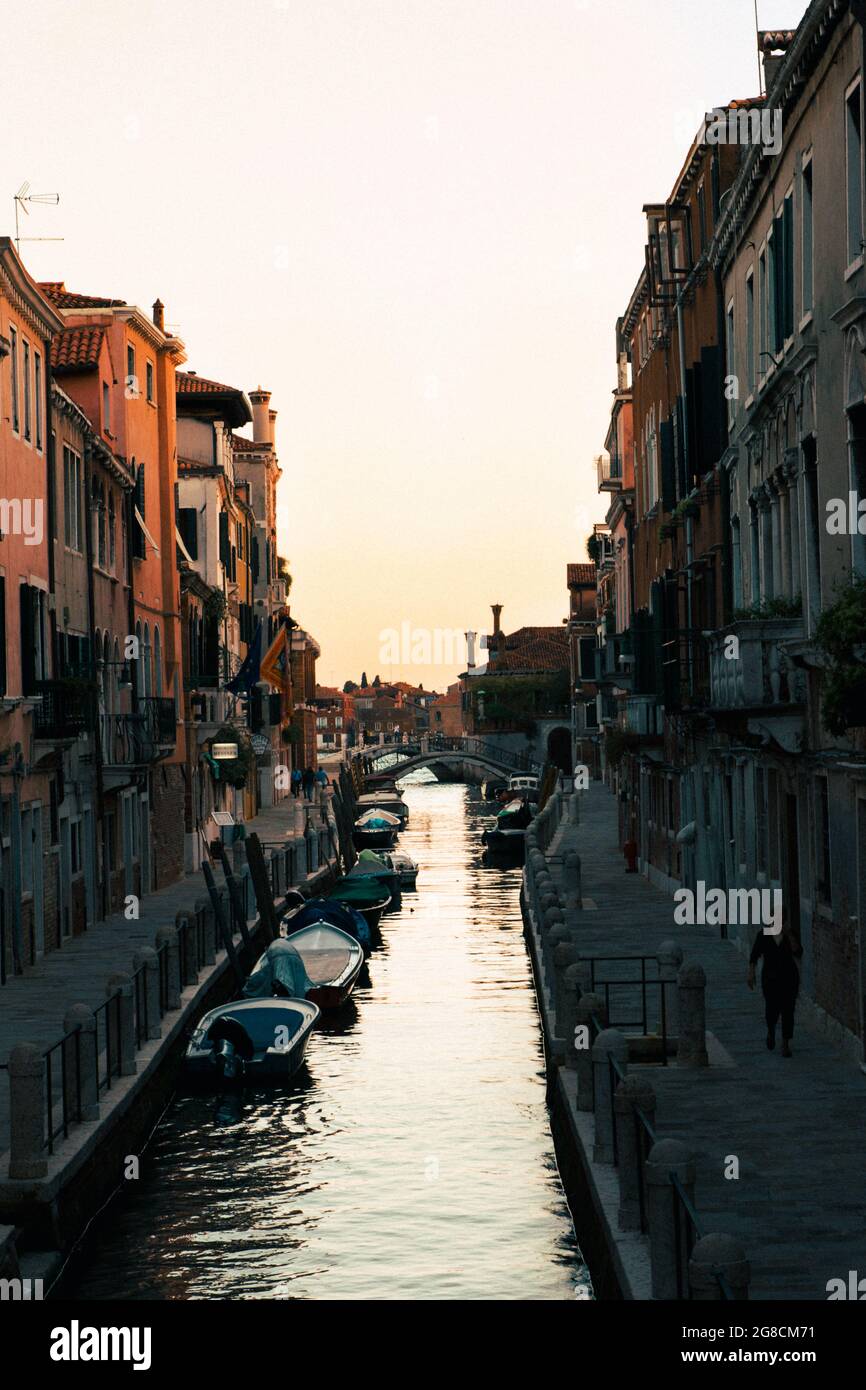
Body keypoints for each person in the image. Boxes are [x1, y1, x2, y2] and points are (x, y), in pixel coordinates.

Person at [747, 917, 803, 1057]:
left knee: (788, 1011)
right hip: (770, 979)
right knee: (771, 1009)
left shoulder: (790, 935)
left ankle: (785, 1044)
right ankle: (771, 1031)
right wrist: (751, 973)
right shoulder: (763, 935)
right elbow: (754, 955)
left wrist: (789, 934)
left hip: (789, 978)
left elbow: (798, 951)